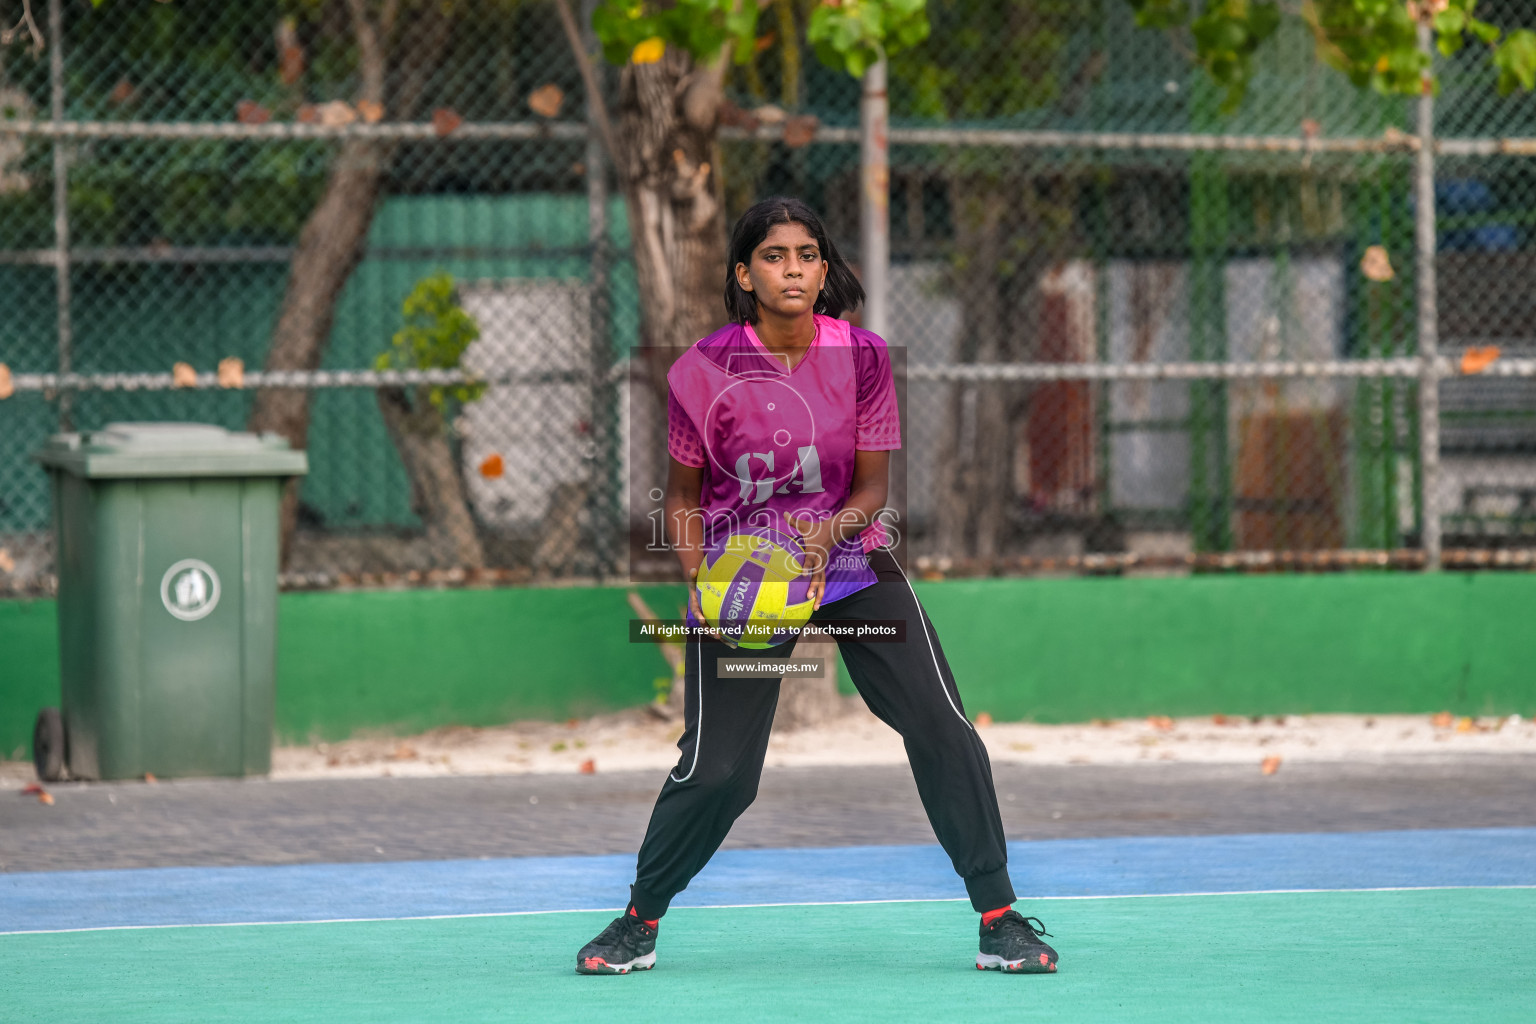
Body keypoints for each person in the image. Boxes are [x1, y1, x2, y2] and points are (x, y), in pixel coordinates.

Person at [575, 197, 1058, 976]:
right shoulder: (700, 370)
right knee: (720, 773)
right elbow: (681, 499)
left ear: (823, 270)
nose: (791, 268)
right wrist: (703, 584)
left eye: (806, 255)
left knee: (942, 727)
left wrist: (821, 540)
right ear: (744, 273)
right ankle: (639, 920)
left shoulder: (862, 357)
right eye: (773, 255)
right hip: (743, 579)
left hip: (848, 564)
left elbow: (871, 491)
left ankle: (999, 918)